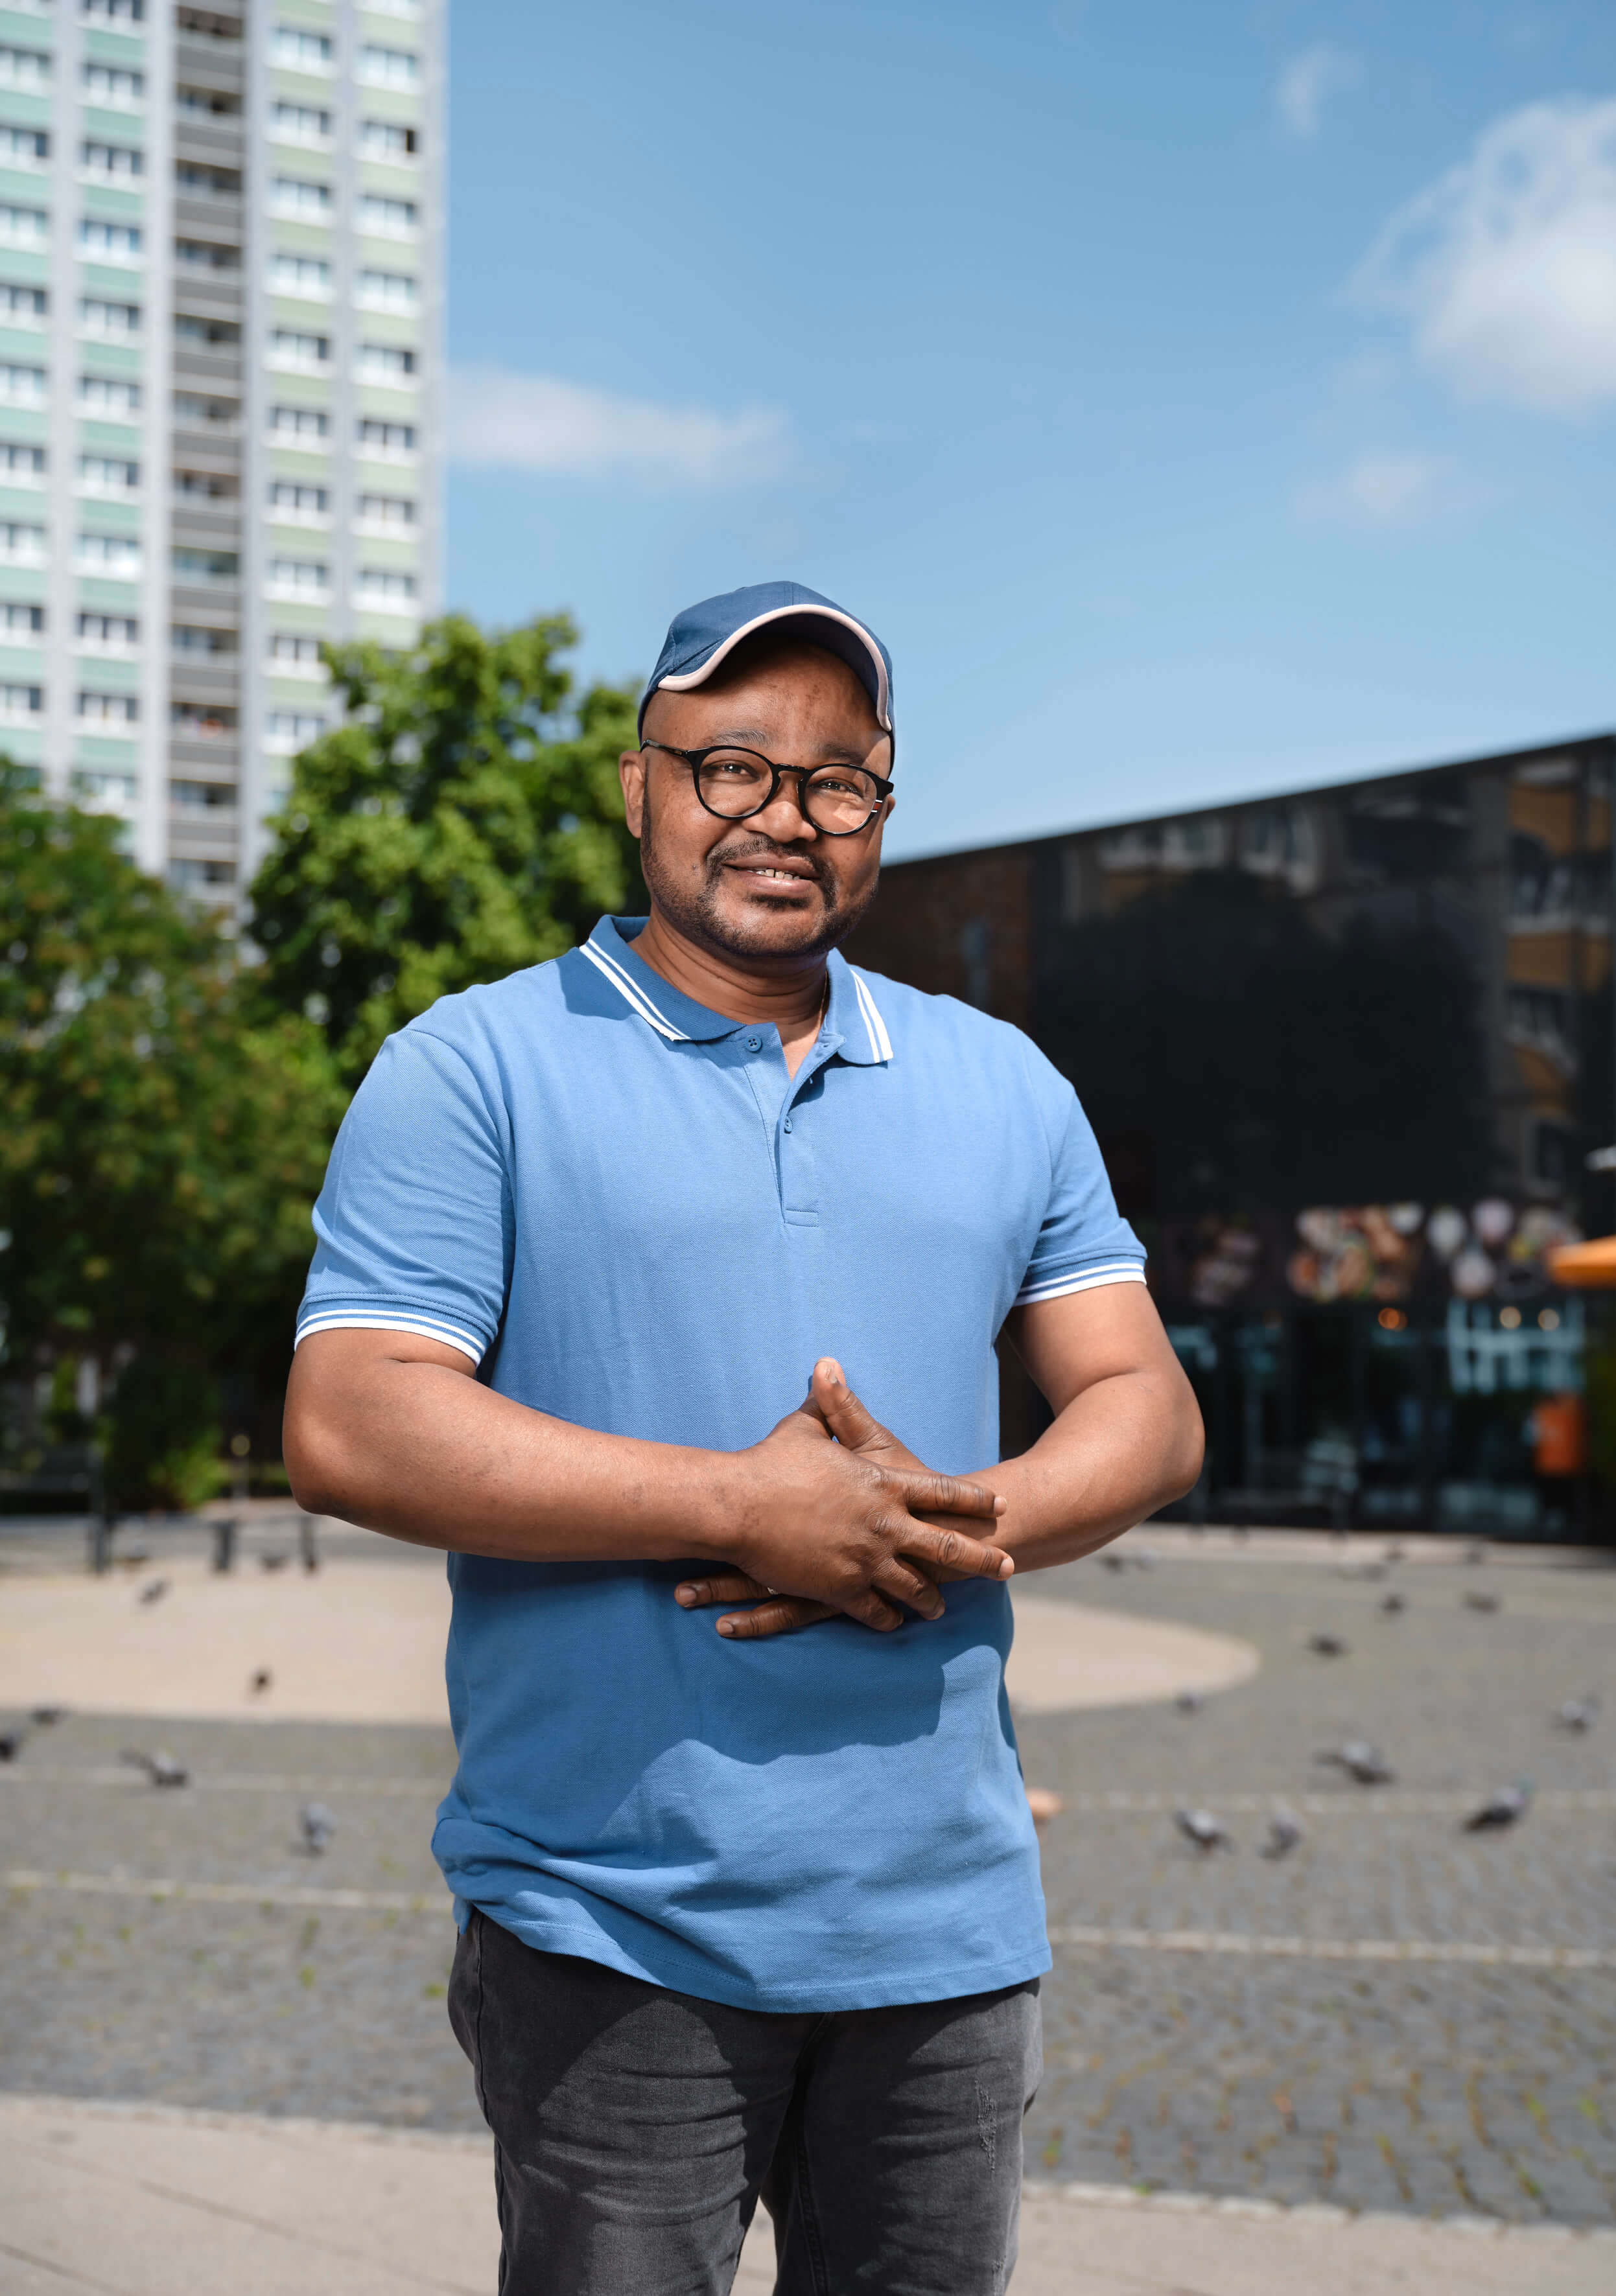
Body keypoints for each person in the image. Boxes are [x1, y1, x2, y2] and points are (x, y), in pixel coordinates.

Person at [285, 579, 1203, 2295]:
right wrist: (749, 1508)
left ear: (878, 818)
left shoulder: (1002, 1080)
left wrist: (956, 1515)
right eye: (730, 766)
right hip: (608, 1921)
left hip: (944, 1925)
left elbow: (1142, 1405)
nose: (785, 814)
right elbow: (348, 1421)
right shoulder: (470, 1066)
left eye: (838, 779)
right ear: (636, 787)